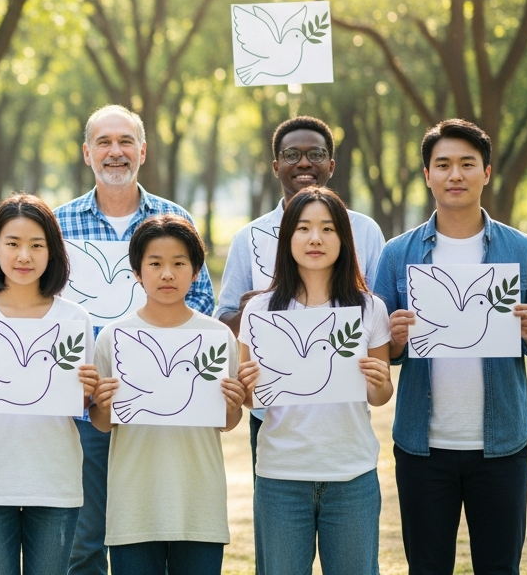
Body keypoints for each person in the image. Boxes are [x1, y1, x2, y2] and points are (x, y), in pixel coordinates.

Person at [375, 119, 527, 574]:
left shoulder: (523, 250)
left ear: (486, 172)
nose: (455, 175)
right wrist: (394, 340)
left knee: (499, 567)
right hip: (422, 447)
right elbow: (378, 349)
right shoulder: (397, 253)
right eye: (443, 165)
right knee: (427, 567)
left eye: (467, 164)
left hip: (502, 446)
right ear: (427, 175)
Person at [53, 104, 213, 575]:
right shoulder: (58, 225)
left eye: (125, 141)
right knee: (85, 540)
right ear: (87, 153)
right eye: (103, 142)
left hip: (160, 405)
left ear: (142, 151)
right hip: (85, 404)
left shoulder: (173, 217)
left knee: (155, 528)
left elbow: (201, 301)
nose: (115, 151)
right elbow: (43, 307)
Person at [236, 187, 394, 574]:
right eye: (303, 228)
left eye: (327, 228)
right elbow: (251, 399)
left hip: (352, 474)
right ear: (287, 238)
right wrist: (244, 386)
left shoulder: (369, 308)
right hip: (281, 478)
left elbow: (380, 396)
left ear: (344, 239)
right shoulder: (259, 310)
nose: (315, 238)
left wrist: (379, 382)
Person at [216, 116, 384, 473]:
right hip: (273, 411)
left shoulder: (366, 231)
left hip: (343, 409)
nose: (304, 163)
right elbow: (224, 320)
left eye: (316, 154)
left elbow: (377, 316)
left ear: (331, 165)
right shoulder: (248, 237)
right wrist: (256, 312)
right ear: (276, 166)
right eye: (292, 155)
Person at [0, 195, 97, 575]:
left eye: (36, 245)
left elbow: (80, 403)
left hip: (55, 479)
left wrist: (88, 392)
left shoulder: (74, 319)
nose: (24, 256)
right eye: (12, 243)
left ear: (53, 251)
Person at [88, 215, 244, 575]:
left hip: (199, 505)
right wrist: (104, 404)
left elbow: (227, 422)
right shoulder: (113, 337)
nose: (167, 274)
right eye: (155, 264)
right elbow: (101, 423)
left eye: (179, 263)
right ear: (137, 272)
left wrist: (234, 403)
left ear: (196, 271)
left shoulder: (218, 337)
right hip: (134, 508)